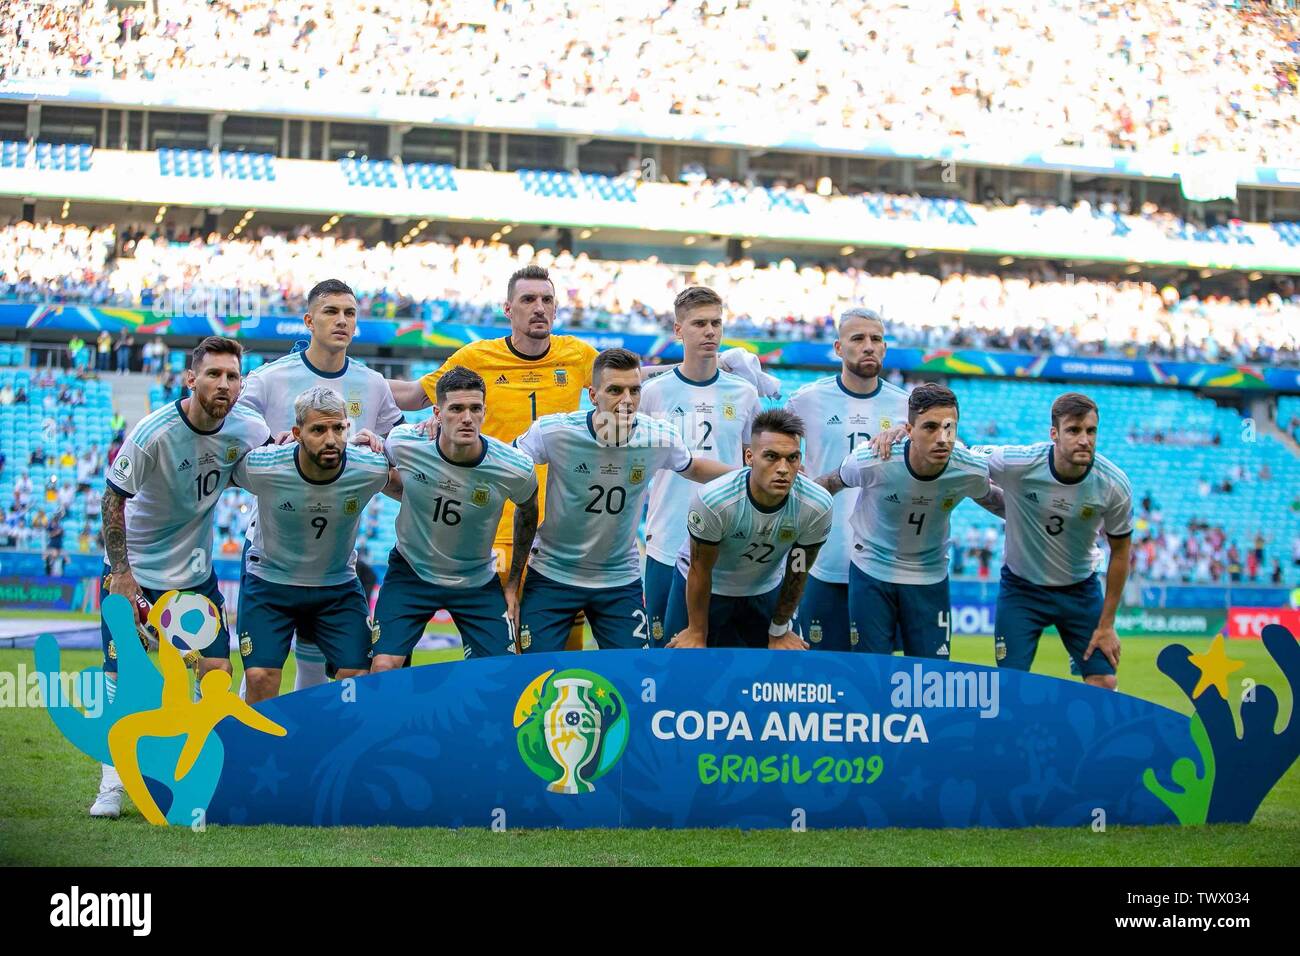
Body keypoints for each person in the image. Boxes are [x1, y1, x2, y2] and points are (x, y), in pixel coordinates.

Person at [91, 335, 269, 819]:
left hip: (194, 576)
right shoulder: (154, 432)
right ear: (191, 378)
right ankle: (113, 784)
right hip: (135, 574)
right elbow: (112, 499)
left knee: (216, 677)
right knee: (122, 679)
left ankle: (197, 767)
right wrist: (122, 575)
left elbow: (279, 460)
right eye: (213, 374)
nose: (223, 384)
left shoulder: (249, 429)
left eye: (232, 376)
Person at [236, 279, 403, 690]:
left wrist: (385, 447)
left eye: (349, 313)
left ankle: (309, 750)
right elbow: (229, 432)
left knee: (319, 667)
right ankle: (252, 747)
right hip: (273, 545)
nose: (342, 320)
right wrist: (262, 444)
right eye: (331, 312)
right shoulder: (268, 380)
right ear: (309, 320)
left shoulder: (373, 385)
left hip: (335, 555)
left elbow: (400, 451)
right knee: (260, 672)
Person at [511, 347, 733, 652]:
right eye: (615, 390)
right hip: (553, 574)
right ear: (593, 395)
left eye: (634, 390)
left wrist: (750, 474)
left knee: (634, 677)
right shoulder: (555, 431)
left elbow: (693, 466)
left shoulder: (659, 438)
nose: (627, 401)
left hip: (618, 580)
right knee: (533, 675)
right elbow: (505, 462)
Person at [233, 386, 397, 703]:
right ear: (297, 433)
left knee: (359, 677)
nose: (331, 439)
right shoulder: (264, 467)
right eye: (318, 430)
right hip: (271, 581)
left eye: (338, 428)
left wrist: (388, 445)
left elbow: (410, 475)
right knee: (260, 677)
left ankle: (339, 749)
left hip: (336, 585)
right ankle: (260, 752)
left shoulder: (369, 468)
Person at [372, 366, 539, 668]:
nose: (467, 418)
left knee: (502, 673)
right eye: (456, 409)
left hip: (476, 580)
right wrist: (365, 442)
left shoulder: (513, 467)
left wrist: (513, 583)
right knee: (383, 666)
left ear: (485, 411)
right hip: (411, 572)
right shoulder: (405, 443)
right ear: (437, 412)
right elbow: (380, 470)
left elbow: (528, 511)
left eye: (475, 408)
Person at [818, 383, 998, 659]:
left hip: (930, 575)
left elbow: (994, 500)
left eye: (950, 427)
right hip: (872, 570)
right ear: (909, 429)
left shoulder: (969, 469)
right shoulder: (873, 459)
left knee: (930, 678)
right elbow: (828, 483)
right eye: (930, 427)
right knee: (871, 671)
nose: (942, 438)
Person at [970, 392, 1133, 690]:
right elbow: (965, 459)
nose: (1084, 439)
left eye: (1091, 431)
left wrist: (1107, 624)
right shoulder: (1018, 462)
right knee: (1009, 686)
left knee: (1104, 682)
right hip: (1021, 589)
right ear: (1054, 434)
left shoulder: (1113, 484)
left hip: (1080, 591)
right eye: (1073, 430)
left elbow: (1121, 553)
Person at [640, 286, 760, 645]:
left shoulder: (744, 393)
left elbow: (753, 465)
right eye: (699, 324)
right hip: (666, 537)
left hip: (729, 546)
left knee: (727, 655)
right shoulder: (653, 394)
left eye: (716, 323)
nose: (710, 331)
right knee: (664, 657)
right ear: (678, 331)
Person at [786, 308, 909, 651]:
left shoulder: (907, 408)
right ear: (839, 348)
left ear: (884, 348)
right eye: (857, 339)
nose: (868, 346)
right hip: (822, 559)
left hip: (884, 562)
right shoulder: (807, 401)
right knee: (819, 673)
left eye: (876, 339)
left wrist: (913, 433)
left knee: (876, 674)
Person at [664, 409, 833, 649]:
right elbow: (700, 569)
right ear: (749, 456)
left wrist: (779, 630)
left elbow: (798, 571)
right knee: (687, 671)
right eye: (772, 457)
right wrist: (696, 631)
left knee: (770, 678)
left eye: (792, 458)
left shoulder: (816, 505)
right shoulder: (715, 501)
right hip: (704, 587)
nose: (783, 468)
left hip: (764, 588)